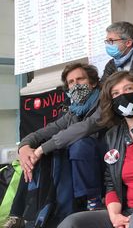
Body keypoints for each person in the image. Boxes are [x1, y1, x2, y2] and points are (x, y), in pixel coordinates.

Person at [58, 71, 133, 228]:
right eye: (115, 93)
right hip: (125, 210)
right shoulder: (113, 135)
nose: (122, 96)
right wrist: (115, 215)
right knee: (71, 223)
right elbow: (111, 182)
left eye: (128, 89)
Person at [7, 63, 104, 227]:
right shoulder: (73, 111)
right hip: (80, 162)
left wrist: (41, 149)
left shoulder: (104, 102)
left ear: (93, 82)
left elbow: (83, 128)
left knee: (79, 144)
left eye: (80, 79)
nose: (76, 84)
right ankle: (20, 214)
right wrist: (24, 147)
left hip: (104, 158)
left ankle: (91, 201)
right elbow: (44, 131)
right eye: (71, 82)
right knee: (33, 157)